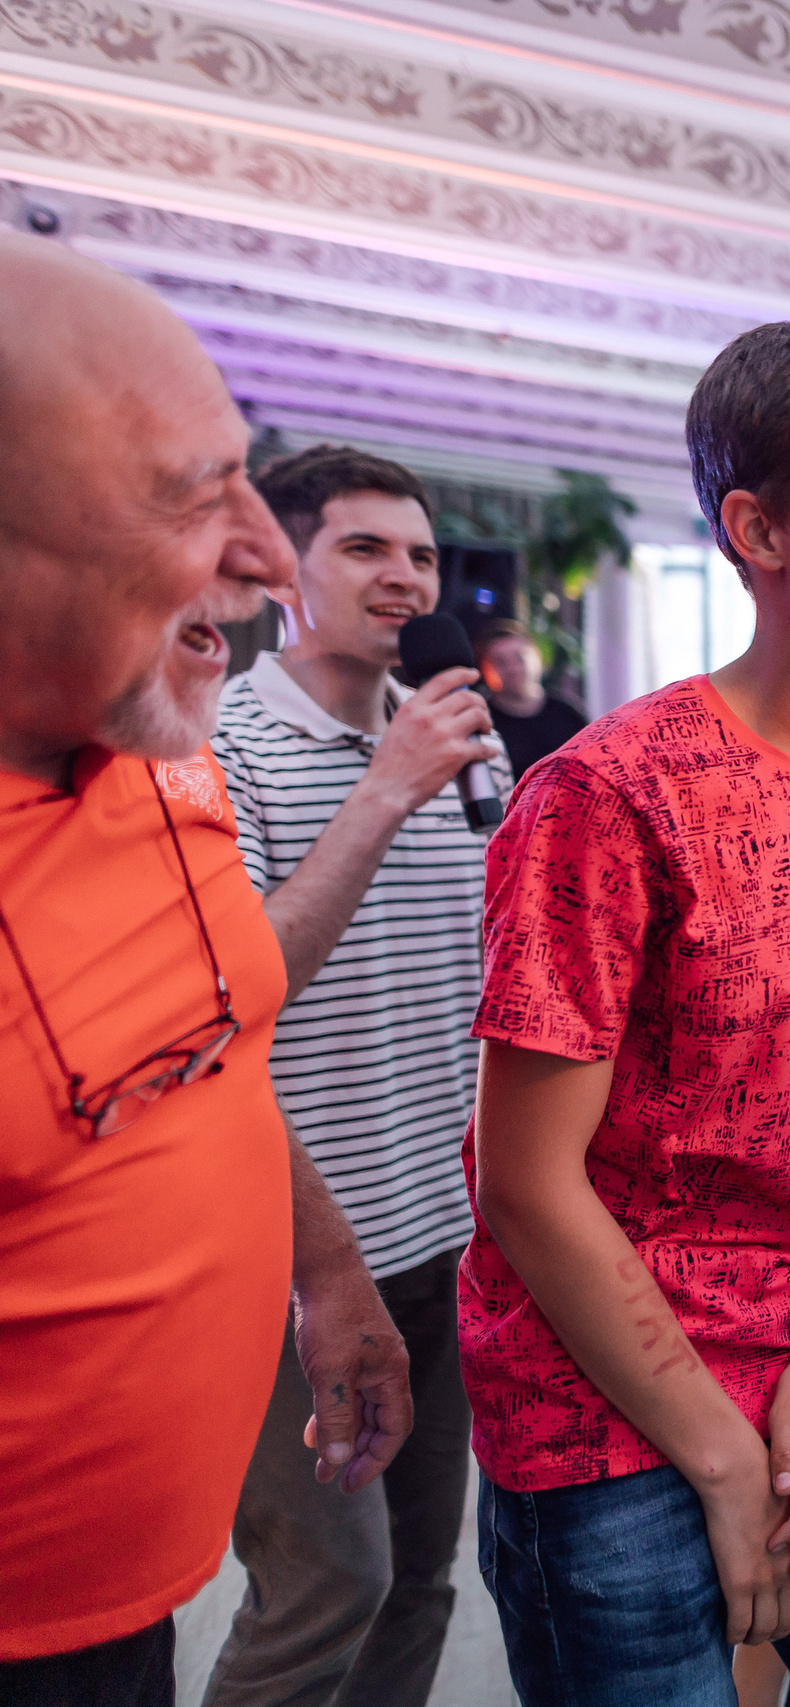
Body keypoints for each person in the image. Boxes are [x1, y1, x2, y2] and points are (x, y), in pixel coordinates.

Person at [463, 320, 790, 1705]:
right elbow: (526, 1180)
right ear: (755, 529)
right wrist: (723, 1450)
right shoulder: (603, 796)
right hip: (612, 1411)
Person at [0, 234, 411, 1704]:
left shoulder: (153, 745)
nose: (265, 553)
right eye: (192, 493)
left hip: (125, 1616)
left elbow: (213, 1048)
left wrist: (327, 1271)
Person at [203, 444, 502, 1707]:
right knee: (327, 1584)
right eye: (366, 548)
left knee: (425, 1578)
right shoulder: (223, 746)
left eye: (420, 552)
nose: (404, 577)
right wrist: (384, 791)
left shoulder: (441, 751)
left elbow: (463, 992)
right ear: (285, 571)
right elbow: (235, 992)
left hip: (440, 1233)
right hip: (283, 1250)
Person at [476, 618, 587, 775]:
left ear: (538, 658)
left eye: (519, 658)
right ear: (484, 669)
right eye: (500, 662)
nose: (512, 669)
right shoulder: (481, 724)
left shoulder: (568, 715)